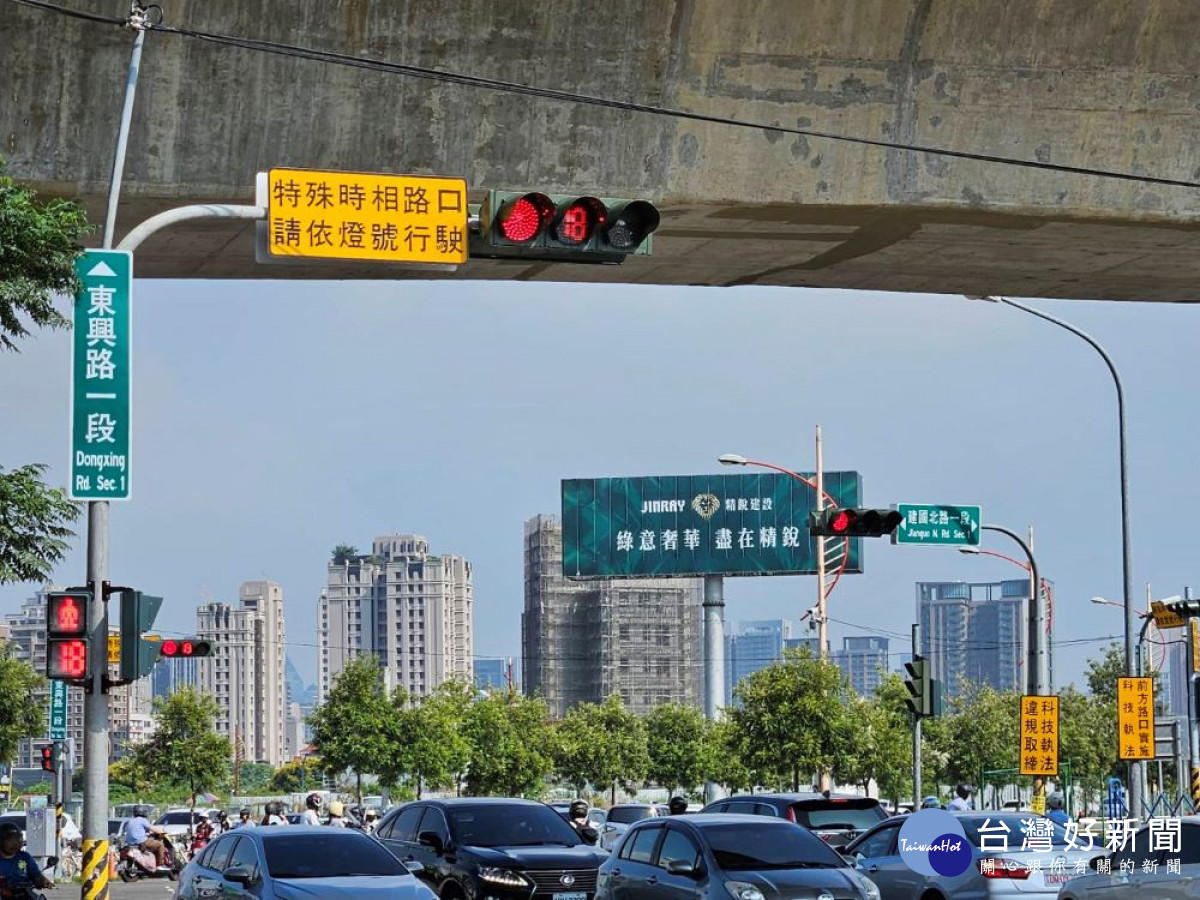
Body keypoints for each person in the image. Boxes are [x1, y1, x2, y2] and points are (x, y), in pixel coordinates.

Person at [0, 821, 53, 893]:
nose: (14, 843)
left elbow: (36, 875)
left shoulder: (25, 857)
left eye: (16, 839)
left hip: (24, 895)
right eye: (10, 840)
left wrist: (42, 880)